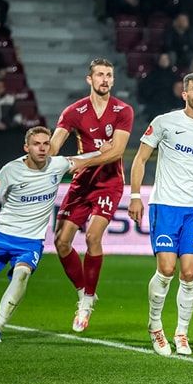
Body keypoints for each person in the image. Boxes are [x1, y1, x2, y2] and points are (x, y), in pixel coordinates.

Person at [0, 127, 99, 342]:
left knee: (22, 275)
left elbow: (83, 159)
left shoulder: (57, 164)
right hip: (0, 234)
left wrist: (108, 149)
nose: (42, 148)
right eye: (37, 144)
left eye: (46, 143)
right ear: (26, 147)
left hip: (29, 242)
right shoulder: (10, 170)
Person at [127, 73, 193, 356]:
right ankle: (155, 326)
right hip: (165, 205)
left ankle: (181, 333)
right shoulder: (164, 122)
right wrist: (135, 195)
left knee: (190, 272)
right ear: (184, 94)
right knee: (167, 269)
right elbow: (140, 159)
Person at [49, 59, 134, 332]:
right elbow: (53, 146)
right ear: (90, 79)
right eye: (100, 75)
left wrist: (81, 161)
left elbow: (117, 151)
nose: (105, 79)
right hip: (81, 184)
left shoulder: (123, 110)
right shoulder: (74, 112)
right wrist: (38, 157)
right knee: (61, 242)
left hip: (109, 182)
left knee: (92, 236)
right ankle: (84, 290)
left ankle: (86, 303)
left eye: (109, 75)